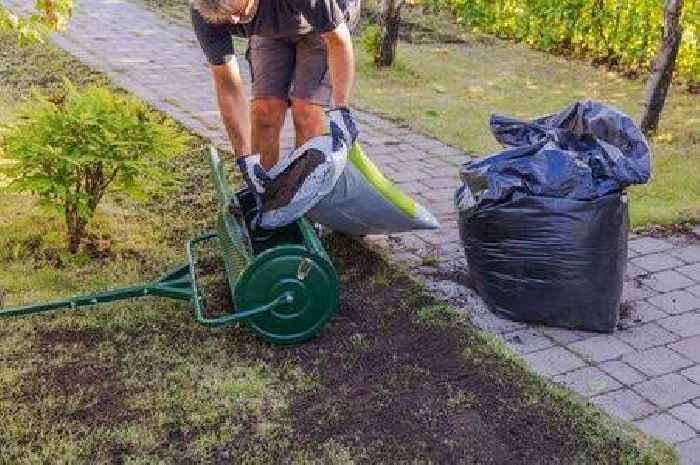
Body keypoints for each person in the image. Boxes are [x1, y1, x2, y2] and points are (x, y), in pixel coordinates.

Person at [190, 0, 360, 223]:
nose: (232, 21)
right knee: (264, 112)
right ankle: (265, 198)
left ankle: (304, 209)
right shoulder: (206, 11)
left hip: (325, 22)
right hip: (273, 25)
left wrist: (340, 108)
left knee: (306, 111)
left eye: (237, 12)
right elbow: (227, 84)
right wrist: (245, 159)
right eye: (223, 16)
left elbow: (337, 40)